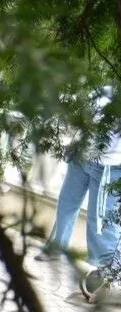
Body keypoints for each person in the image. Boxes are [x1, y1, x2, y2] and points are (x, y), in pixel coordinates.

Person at [38, 86, 121, 294]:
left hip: (109, 165)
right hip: (83, 156)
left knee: (101, 220)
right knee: (66, 203)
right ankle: (58, 246)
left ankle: (110, 275)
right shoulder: (105, 88)